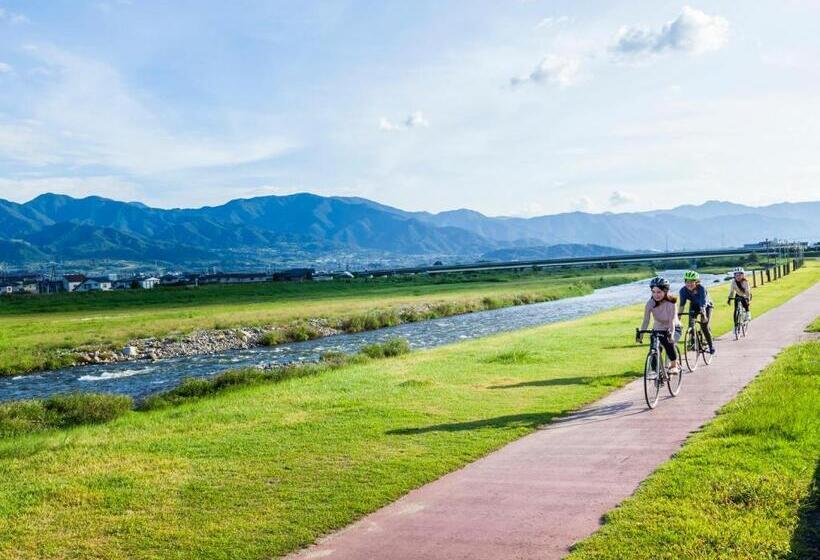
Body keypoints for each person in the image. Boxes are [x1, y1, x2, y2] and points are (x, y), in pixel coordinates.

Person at [637, 276, 681, 375]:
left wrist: (672, 334)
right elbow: (646, 320)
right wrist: (641, 334)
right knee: (654, 345)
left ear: (665, 291)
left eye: (659, 292)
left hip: (674, 327)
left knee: (667, 341)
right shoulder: (650, 303)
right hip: (658, 328)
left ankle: (674, 365)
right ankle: (655, 370)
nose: (656, 295)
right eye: (653, 292)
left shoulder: (671, 303)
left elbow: (672, 321)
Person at [678, 270, 715, 354]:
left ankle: (711, 346)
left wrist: (704, 316)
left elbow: (703, 303)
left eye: (692, 282)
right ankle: (693, 342)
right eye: (687, 282)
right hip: (694, 305)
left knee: (704, 326)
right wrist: (678, 318)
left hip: (706, 306)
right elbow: (682, 305)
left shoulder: (701, 289)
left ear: (696, 282)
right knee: (691, 324)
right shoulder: (683, 291)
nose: (689, 284)